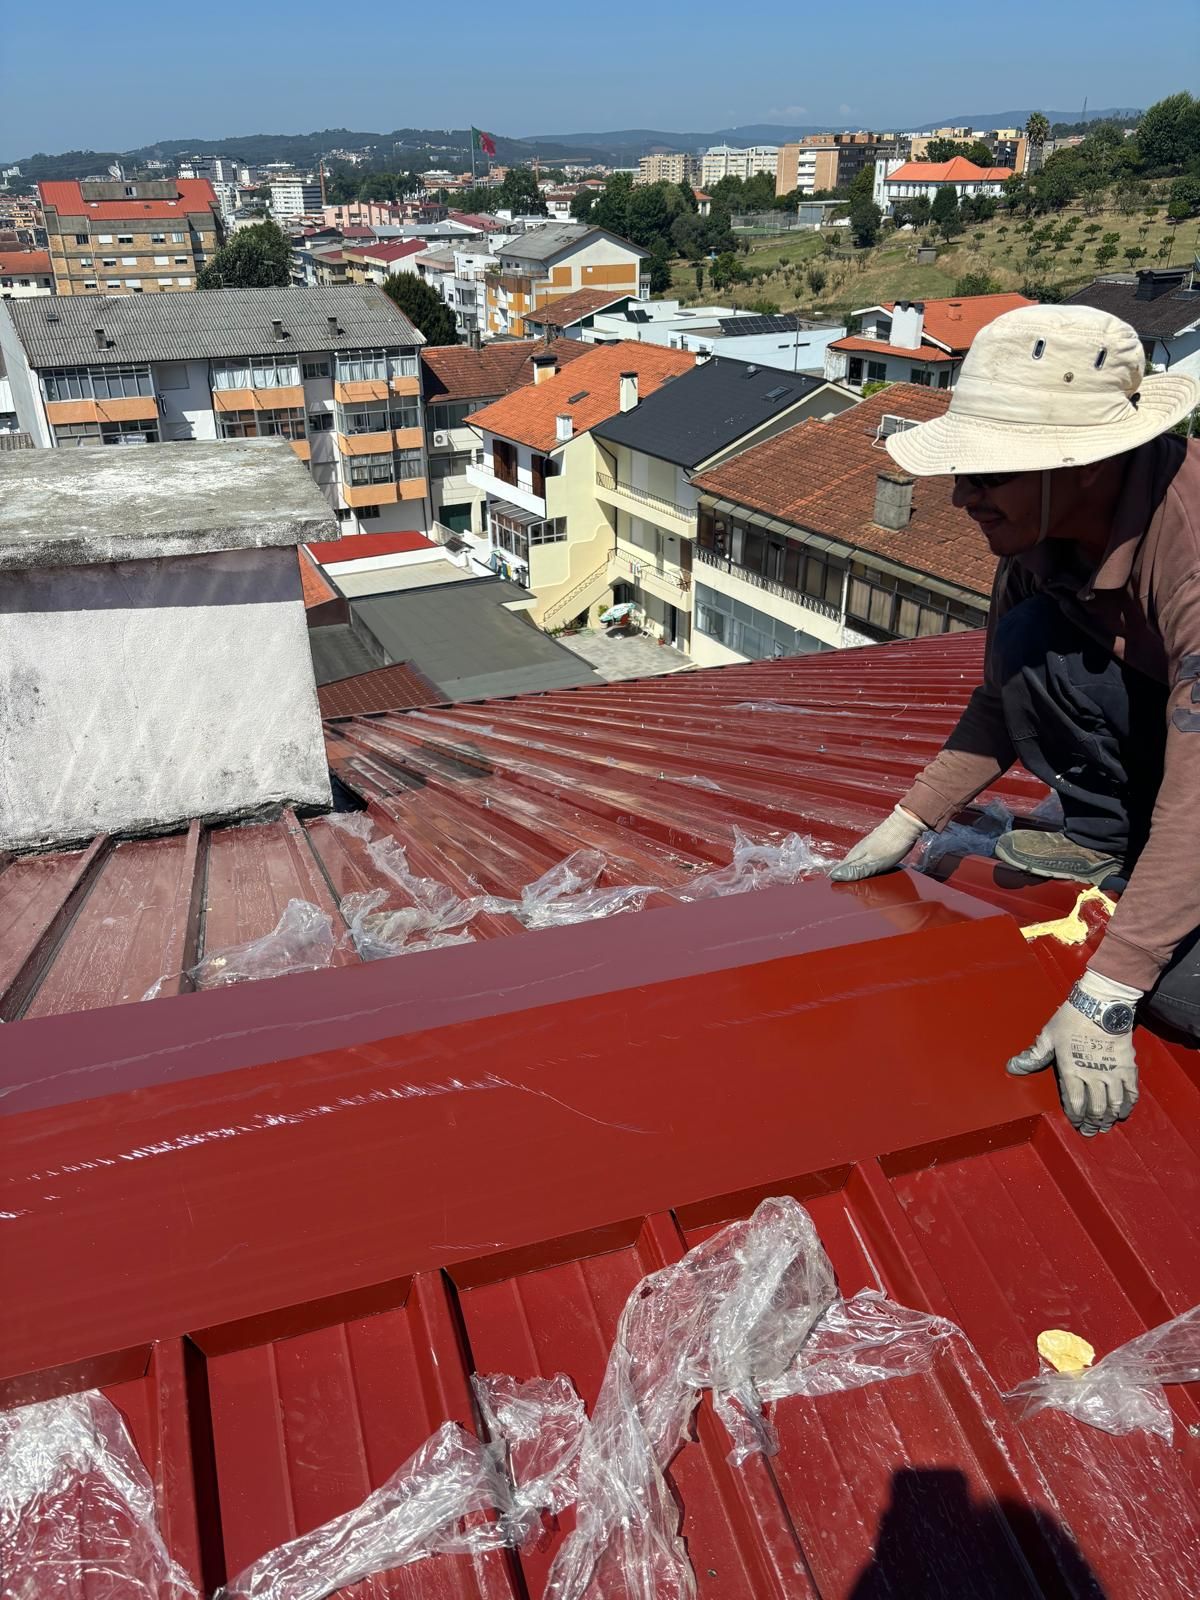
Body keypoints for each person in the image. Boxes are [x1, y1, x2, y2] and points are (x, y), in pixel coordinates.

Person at [831, 303, 1200, 1140]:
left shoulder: (1191, 553)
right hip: (1176, 758)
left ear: (1085, 467)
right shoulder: (1041, 544)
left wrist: (1110, 990)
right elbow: (1007, 693)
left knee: (1177, 994)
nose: (962, 497)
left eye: (988, 474)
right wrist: (910, 816)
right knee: (1035, 641)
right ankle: (1120, 840)